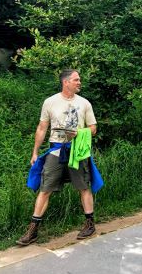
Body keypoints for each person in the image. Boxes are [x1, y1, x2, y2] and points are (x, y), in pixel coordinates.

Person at [18, 70, 98, 246]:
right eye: (76, 80)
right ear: (66, 82)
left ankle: (90, 224)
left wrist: (79, 133)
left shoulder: (84, 103)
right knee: (45, 189)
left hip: (77, 151)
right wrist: (35, 152)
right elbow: (41, 127)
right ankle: (33, 230)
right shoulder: (50, 102)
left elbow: (93, 128)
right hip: (56, 150)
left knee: (84, 186)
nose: (79, 82)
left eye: (79, 80)